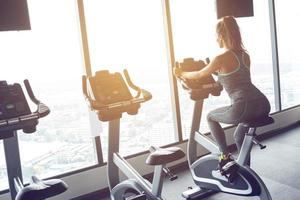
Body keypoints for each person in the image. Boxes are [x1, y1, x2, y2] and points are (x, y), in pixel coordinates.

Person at [174, 16, 271, 175]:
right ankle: (246, 171)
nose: (215, 39)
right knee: (239, 136)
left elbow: (198, 74)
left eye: (215, 35)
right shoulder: (244, 55)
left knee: (210, 117)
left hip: (244, 105)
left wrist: (181, 72)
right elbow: (235, 79)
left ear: (221, 36)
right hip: (262, 103)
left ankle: (224, 156)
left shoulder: (220, 58)